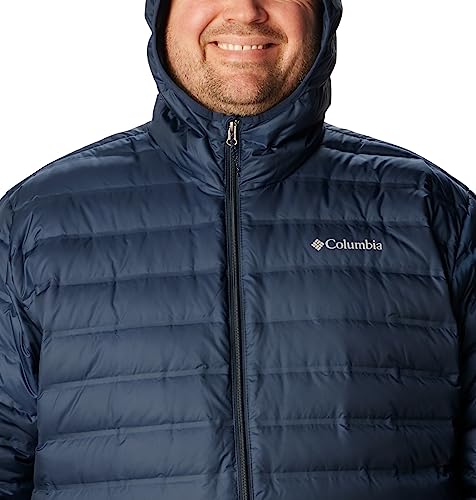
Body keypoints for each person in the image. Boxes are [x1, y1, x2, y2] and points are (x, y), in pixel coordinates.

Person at [0, 0, 474, 498]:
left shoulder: (431, 210)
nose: (245, 11)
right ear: (161, 12)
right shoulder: (37, 222)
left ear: (323, 11)